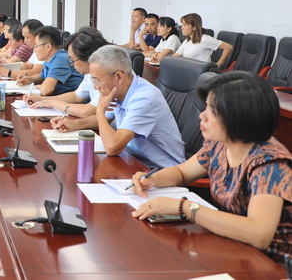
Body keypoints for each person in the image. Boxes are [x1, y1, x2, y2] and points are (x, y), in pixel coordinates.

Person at [131, 72, 292, 262]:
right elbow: (182, 172)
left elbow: (259, 234)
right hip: (230, 246)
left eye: (213, 111)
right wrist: (152, 179)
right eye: (206, 106)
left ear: (241, 116)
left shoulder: (270, 163)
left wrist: (185, 207)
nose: (202, 115)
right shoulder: (220, 144)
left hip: (270, 263)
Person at [90, 44, 185, 168]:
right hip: (133, 161)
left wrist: (99, 111)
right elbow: (102, 121)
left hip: (161, 170)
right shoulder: (120, 91)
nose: (95, 87)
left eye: (97, 80)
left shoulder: (144, 98)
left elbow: (112, 147)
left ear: (118, 76)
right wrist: (72, 124)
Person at [27, 27, 109, 132]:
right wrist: (43, 100)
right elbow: (76, 96)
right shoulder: (89, 74)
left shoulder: (108, 77)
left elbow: (86, 111)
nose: (71, 64)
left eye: (72, 60)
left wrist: (53, 103)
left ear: (89, 57)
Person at [16, 26, 83, 96]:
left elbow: (46, 91)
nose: (34, 50)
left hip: (72, 101)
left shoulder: (60, 59)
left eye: (36, 46)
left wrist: (39, 86)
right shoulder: (50, 58)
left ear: (48, 46)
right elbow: (41, 76)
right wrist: (28, 79)